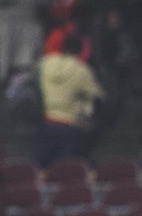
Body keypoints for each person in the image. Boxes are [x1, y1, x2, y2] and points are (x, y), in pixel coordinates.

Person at [37, 34, 105, 165]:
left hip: (47, 125)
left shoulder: (46, 63)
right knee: (67, 173)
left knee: (41, 172)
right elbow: (97, 95)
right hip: (70, 128)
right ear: (80, 51)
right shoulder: (80, 69)